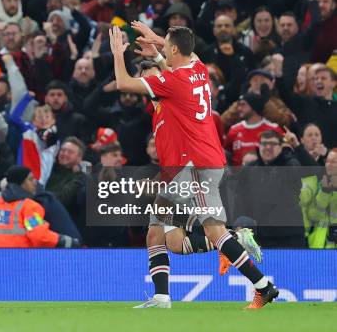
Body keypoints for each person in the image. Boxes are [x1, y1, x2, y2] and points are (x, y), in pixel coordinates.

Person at [109, 25, 278, 308]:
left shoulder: (171, 84)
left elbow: (124, 83)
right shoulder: (195, 73)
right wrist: (160, 44)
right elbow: (184, 58)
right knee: (161, 235)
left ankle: (263, 284)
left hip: (196, 166)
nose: (150, 80)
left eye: (152, 76)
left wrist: (117, 54)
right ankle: (162, 297)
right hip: (188, 169)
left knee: (214, 231)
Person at [0, 166, 80, 248]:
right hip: (24, 263)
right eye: (30, 179)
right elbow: (39, 236)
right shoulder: (29, 207)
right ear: (21, 183)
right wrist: (66, 241)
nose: (35, 183)